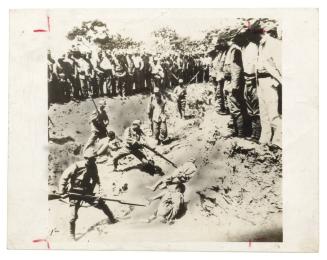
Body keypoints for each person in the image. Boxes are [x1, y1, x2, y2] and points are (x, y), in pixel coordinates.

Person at [58, 149, 117, 240]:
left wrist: (99, 192)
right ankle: (71, 235)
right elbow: (64, 178)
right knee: (73, 216)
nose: (92, 161)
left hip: (87, 192)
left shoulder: (94, 167)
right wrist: (62, 192)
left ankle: (112, 219)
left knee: (101, 204)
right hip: (75, 193)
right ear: (85, 158)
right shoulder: (77, 166)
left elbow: (96, 180)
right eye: (89, 159)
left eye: (93, 159)